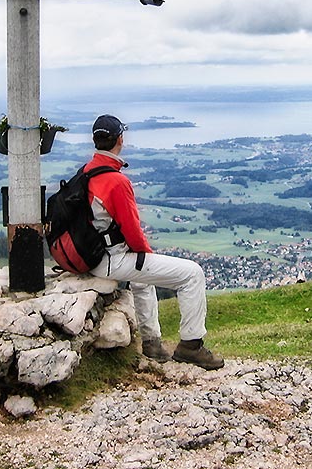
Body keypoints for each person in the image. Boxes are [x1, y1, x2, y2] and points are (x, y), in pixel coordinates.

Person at [83, 114, 224, 370]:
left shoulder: (86, 173)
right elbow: (133, 233)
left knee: (142, 277)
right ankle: (191, 346)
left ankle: (152, 344)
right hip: (110, 259)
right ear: (120, 140)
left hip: (92, 256)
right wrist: (147, 256)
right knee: (193, 274)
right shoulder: (116, 181)